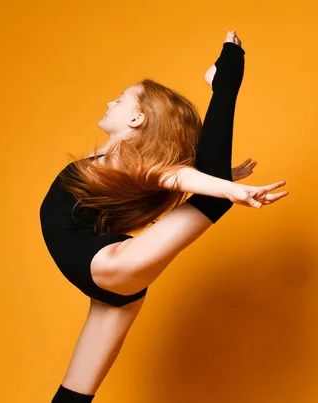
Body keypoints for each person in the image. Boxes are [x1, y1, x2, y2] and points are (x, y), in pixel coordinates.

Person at [39, 30, 288, 402]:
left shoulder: (128, 159)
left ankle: (226, 82)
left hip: (110, 264)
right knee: (74, 394)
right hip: (115, 285)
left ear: (137, 118)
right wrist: (218, 180)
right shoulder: (115, 162)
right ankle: (224, 81)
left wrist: (228, 189)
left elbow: (168, 174)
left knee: (214, 199)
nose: (111, 101)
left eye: (121, 99)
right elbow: (173, 174)